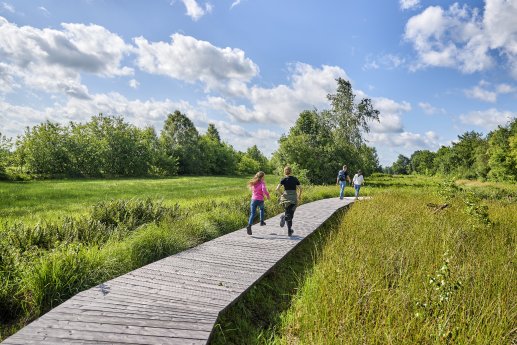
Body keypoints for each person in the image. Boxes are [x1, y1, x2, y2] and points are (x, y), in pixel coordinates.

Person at [276, 166, 302, 236]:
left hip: (285, 198)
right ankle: (285, 218)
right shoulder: (295, 179)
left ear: (285, 172)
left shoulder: (283, 179)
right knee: (290, 214)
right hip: (293, 198)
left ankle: (289, 230)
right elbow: (300, 188)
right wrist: (299, 196)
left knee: (288, 213)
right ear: (291, 171)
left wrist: (282, 194)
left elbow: (277, 189)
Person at [246, 171, 270, 235]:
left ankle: (249, 225)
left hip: (253, 200)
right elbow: (264, 190)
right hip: (260, 200)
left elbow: (252, 190)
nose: (264, 178)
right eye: (264, 177)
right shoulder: (262, 183)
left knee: (252, 213)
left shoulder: (254, 182)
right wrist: (267, 195)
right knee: (261, 209)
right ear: (262, 177)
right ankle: (261, 221)